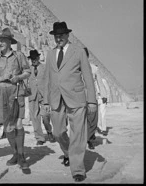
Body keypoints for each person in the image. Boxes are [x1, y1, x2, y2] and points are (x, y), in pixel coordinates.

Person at [43, 22, 97, 182]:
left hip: (76, 98)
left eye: (61, 35)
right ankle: (68, 153)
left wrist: (92, 101)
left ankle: (77, 169)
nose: (58, 38)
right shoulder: (50, 54)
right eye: (56, 35)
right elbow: (47, 78)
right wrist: (45, 101)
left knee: (78, 135)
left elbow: (88, 77)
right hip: (56, 99)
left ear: (67, 35)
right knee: (58, 132)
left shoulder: (78, 52)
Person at [0, 28, 31, 170]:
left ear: (9, 42)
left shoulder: (19, 56)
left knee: (18, 124)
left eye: (2, 40)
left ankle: (22, 155)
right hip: (0, 92)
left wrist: (18, 77)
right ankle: (15, 153)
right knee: (8, 126)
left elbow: (27, 71)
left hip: (16, 92)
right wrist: (3, 78)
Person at [27, 49, 55, 145]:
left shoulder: (44, 67)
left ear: (38, 58)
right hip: (32, 95)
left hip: (44, 95)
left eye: (35, 58)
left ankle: (49, 131)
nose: (33, 60)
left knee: (45, 115)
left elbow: (50, 80)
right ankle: (40, 137)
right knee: (35, 117)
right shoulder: (28, 69)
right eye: (32, 59)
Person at [83, 47, 100, 150]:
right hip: (80, 97)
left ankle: (89, 137)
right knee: (83, 120)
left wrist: (104, 95)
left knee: (93, 120)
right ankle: (88, 139)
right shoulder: (76, 68)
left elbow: (99, 83)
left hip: (92, 97)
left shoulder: (94, 68)